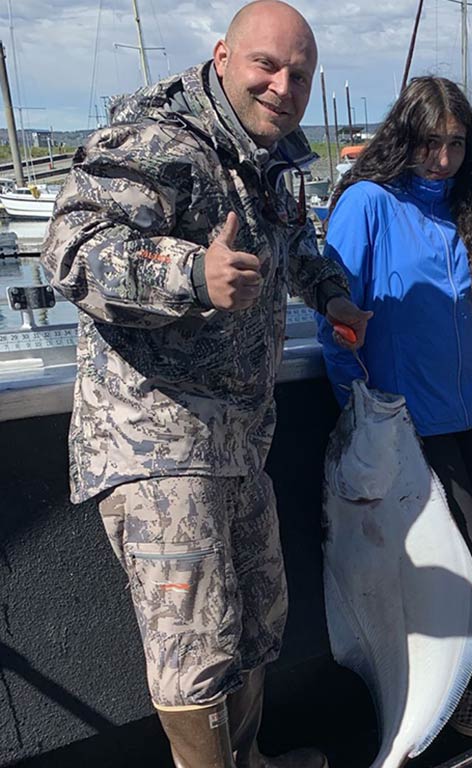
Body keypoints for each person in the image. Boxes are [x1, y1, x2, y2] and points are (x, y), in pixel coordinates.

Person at [41, 3, 370, 766]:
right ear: (223, 57)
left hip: (236, 437)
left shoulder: (272, 154)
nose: (283, 85)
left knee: (258, 617)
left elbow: (294, 243)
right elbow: (71, 247)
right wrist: (188, 272)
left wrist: (333, 296)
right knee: (195, 645)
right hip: (155, 440)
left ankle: (245, 759)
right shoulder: (158, 140)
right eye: (267, 65)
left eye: (300, 74)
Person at [316, 76, 472, 740]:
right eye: (430, 142)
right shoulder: (366, 203)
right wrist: (361, 408)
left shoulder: (471, 209)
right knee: (460, 561)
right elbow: (335, 310)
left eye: (456, 144)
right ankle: (453, 686)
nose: (442, 159)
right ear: (404, 137)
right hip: (410, 424)